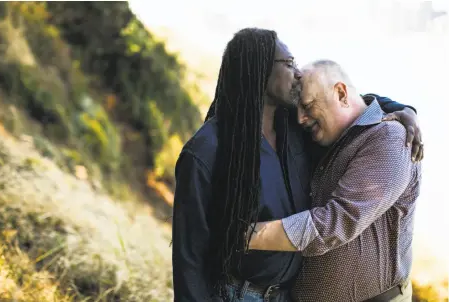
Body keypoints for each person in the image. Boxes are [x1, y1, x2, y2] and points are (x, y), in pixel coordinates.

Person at [172, 28, 423, 302]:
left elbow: (349, 106)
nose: (297, 74)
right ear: (260, 69)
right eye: (290, 64)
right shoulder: (207, 150)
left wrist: (404, 110)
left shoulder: (295, 130)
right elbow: (189, 256)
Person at [247, 60, 422, 302]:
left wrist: (243, 236)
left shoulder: (390, 138)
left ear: (340, 93)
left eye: (308, 106)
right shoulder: (329, 137)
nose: (300, 119)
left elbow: (333, 224)